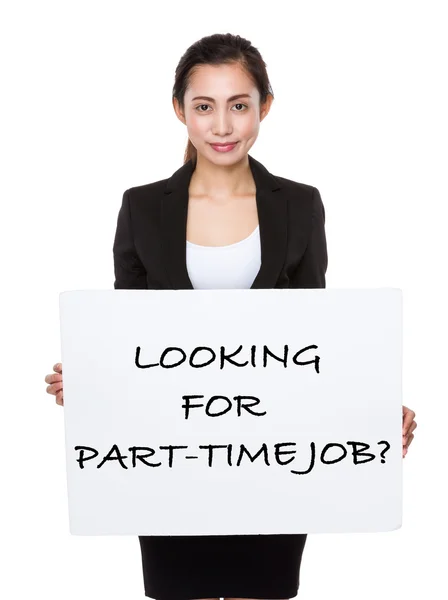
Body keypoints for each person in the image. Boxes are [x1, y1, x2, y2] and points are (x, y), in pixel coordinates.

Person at [44, 32, 417, 600]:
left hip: (275, 458)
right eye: (204, 106)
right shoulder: (142, 207)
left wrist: (365, 412)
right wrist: (95, 378)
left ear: (264, 107)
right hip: (168, 458)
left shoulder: (300, 204)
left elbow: (313, 334)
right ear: (179, 111)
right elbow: (129, 331)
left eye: (239, 105)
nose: (222, 126)